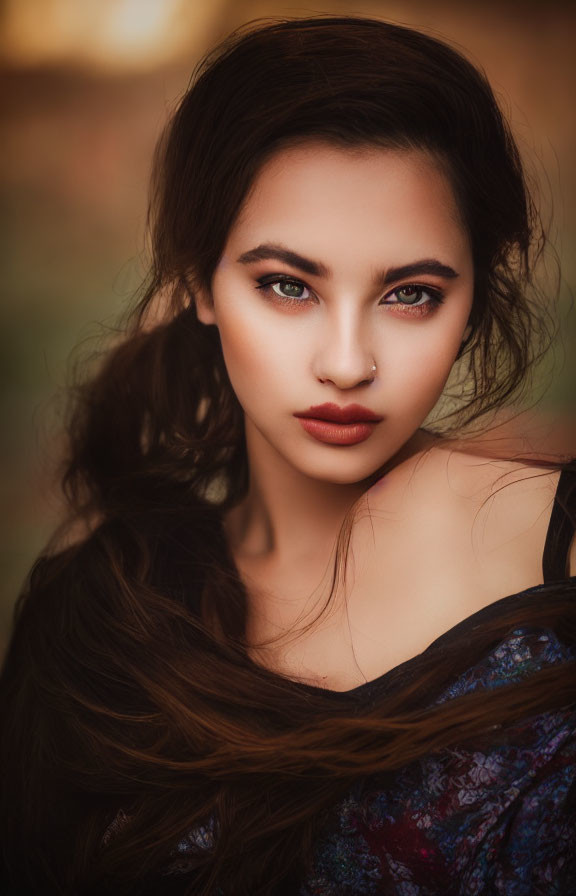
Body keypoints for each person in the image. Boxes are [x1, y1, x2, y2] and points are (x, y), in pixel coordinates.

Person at [1, 14, 575, 896]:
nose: (347, 362)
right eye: (287, 286)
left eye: (411, 294)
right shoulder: (99, 626)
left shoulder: (560, 556)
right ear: (198, 278)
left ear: (472, 305)